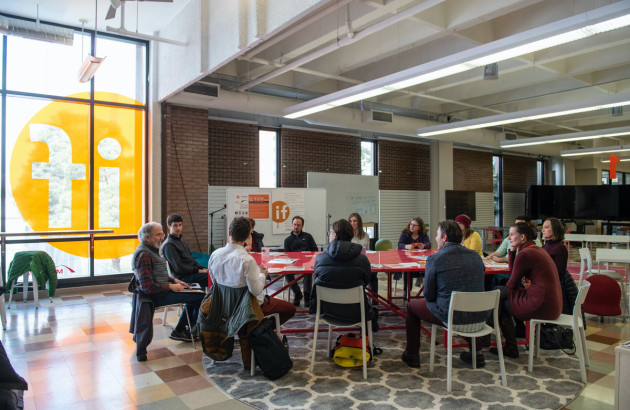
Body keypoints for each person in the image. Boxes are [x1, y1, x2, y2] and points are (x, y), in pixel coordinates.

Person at [401, 220, 487, 369]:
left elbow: (428, 294)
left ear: (445, 237)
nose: (435, 238)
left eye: (437, 235)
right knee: (463, 306)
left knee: (412, 306)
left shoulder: (435, 258)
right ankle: (477, 352)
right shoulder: (476, 256)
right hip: (479, 316)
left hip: (451, 315)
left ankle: (412, 354)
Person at [489, 222, 562, 358]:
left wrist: (511, 287)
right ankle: (503, 342)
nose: (508, 238)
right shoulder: (535, 249)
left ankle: (496, 339)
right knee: (499, 295)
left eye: (511, 235)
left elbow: (512, 283)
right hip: (552, 304)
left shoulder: (526, 254)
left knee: (498, 295)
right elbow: (514, 273)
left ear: (522, 237)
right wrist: (511, 250)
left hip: (542, 306)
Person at [209, 217, 296, 325]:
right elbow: (255, 291)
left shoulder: (214, 255)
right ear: (247, 237)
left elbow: (214, 283)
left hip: (223, 305)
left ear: (229, 232)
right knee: (290, 309)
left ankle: (248, 328)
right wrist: (262, 275)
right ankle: (259, 329)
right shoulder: (247, 260)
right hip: (247, 307)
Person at [132, 222, 204, 345]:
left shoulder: (151, 250)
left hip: (162, 290)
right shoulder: (143, 255)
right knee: (201, 297)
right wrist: (171, 286)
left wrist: (174, 280)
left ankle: (183, 329)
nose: (162, 237)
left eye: (162, 234)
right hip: (157, 295)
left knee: (197, 294)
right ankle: (185, 330)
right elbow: (148, 287)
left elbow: (159, 275)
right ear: (148, 237)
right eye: (159, 235)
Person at [309, 219, 378, 331]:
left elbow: (316, 280)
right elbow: (366, 282)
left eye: (330, 232)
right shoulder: (363, 259)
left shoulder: (320, 259)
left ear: (335, 235)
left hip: (327, 311)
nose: (329, 235)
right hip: (356, 311)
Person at [161, 213, 209, 288]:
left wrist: (203, 268)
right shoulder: (168, 245)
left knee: (213, 274)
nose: (178, 228)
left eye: (180, 225)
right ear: (169, 226)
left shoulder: (182, 243)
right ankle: (210, 299)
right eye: (175, 225)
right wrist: (198, 271)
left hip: (191, 274)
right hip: (182, 278)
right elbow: (179, 268)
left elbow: (192, 261)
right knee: (211, 278)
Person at [283, 216, 318, 307]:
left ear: (302, 226)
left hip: (307, 263)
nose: (296, 227)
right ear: (292, 225)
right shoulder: (287, 240)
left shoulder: (308, 237)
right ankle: (298, 294)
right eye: (294, 224)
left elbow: (315, 250)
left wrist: (307, 257)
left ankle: (307, 297)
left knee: (308, 273)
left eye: (298, 225)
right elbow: (287, 255)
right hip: (294, 263)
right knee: (287, 274)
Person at [397, 217, 432, 297]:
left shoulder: (423, 234)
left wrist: (424, 246)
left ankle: (427, 293)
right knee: (407, 271)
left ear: (419, 227)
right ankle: (407, 292)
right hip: (407, 261)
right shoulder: (405, 234)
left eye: (414, 225)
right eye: (411, 224)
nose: (411, 226)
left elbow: (429, 244)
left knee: (429, 270)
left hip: (420, 261)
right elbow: (399, 244)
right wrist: (406, 246)